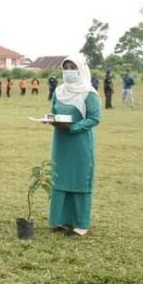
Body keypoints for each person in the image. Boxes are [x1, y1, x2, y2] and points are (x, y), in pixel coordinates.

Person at [48, 55, 101, 237]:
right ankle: (59, 220)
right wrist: (51, 120)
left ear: (81, 69)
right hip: (61, 142)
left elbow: (95, 118)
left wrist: (73, 128)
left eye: (73, 67)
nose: (69, 71)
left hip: (79, 143)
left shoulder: (89, 93)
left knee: (79, 180)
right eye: (66, 67)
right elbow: (54, 111)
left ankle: (80, 224)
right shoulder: (59, 91)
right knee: (60, 178)